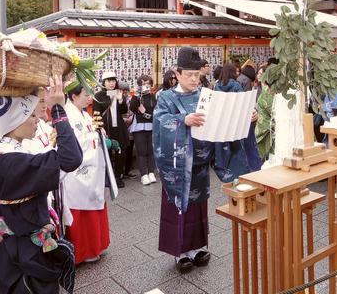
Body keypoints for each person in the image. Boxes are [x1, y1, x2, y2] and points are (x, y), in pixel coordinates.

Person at [0, 76, 83, 293]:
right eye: (30, 114)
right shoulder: (13, 163)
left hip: (11, 248)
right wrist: (57, 109)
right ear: (12, 120)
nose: (37, 118)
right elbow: (71, 159)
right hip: (25, 255)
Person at [153, 47, 252, 273]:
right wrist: (182, 120)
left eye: (197, 75)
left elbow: (224, 119)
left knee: (198, 207)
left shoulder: (205, 95)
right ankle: (180, 252)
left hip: (199, 165)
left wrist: (247, 117)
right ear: (177, 74)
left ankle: (197, 247)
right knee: (180, 207)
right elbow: (159, 124)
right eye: (189, 75)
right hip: (178, 167)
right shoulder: (166, 98)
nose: (194, 79)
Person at [64, 83, 110, 265]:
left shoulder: (83, 113)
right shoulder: (68, 115)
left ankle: (96, 245)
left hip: (93, 168)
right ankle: (84, 250)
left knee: (95, 203)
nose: (90, 98)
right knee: (80, 209)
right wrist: (94, 138)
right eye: (86, 94)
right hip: (79, 171)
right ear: (74, 96)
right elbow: (76, 144)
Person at [93, 71, 130, 188]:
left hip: (119, 128)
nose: (112, 83)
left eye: (114, 81)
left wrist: (120, 100)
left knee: (121, 152)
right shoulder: (98, 96)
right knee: (106, 153)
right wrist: (100, 128)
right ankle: (108, 177)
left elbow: (124, 111)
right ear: (104, 82)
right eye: (109, 81)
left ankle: (118, 177)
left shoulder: (119, 93)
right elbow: (96, 113)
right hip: (106, 129)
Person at [129, 74, 158, 185]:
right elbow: (132, 108)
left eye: (148, 83)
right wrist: (136, 95)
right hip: (139, 126)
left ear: (151, 85)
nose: (146, 86)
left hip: (151, 125)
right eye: (143, 84)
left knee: (151, 150)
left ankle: (151, 172)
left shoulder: (153, 96)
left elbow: (156, 109)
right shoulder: (137, 96)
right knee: (141, 151)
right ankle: (143, 174)